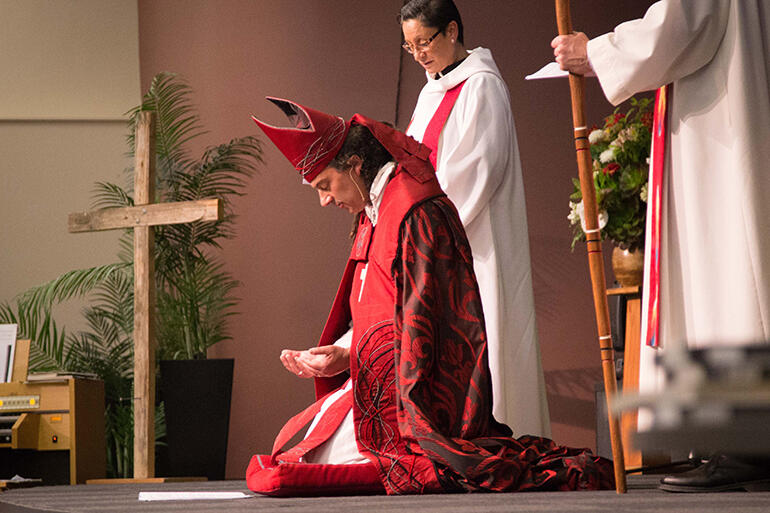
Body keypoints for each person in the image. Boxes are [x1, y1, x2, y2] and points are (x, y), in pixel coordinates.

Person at [246, 97, 613, 495]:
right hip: (379, 379)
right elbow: (379, 308)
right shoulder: (373, 213)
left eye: (324, 186)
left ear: (354, 166)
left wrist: (365, 360)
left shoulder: (414, 211)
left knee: (325, 464)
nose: (324, 200)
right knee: (298, 454)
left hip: (414, 398)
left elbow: (430, 326)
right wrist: (345, 353)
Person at [552, 0, 770, 492]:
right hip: (728, 105)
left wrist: (598, 51)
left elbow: (682, 24)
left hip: (723, 125)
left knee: (728, 266)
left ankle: (746, 441)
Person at [399, 0, 549, 438]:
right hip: (441, 235)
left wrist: (429, 224)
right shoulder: (432, 90)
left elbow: (477, 169)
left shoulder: (481, 85)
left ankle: (504, 442)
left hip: (473, 237)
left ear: (451, 31)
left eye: (424, 42)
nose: (419, 55)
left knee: (489, 338)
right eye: (410, 48)